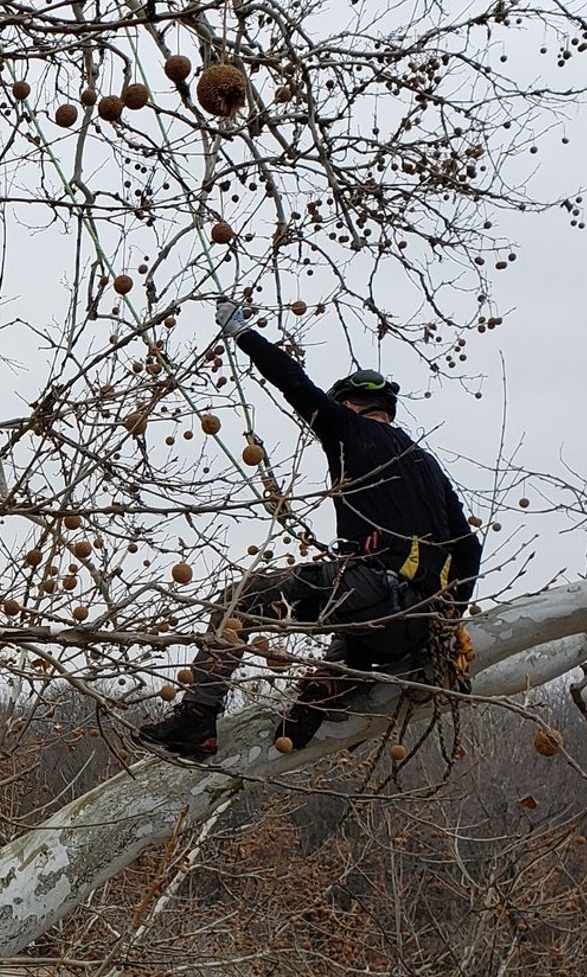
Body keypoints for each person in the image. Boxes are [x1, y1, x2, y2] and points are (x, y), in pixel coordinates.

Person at [136, 300, 480, 758]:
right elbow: (469, 547)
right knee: (345, 642)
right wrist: (450, 617)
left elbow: (295, 385)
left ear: (351, 405)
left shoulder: (351, 430)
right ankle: (325, 691)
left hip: (370, 592)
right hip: (419, 622)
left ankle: (199, 718)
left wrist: (242, 333)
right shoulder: (428, 466)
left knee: (239, 603)